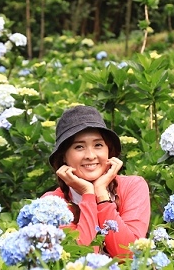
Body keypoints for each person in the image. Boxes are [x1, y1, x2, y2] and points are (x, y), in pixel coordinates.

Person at [42, 104, 151, 258]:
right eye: (79, 147)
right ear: (63, 157)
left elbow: (127, 254)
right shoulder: (52, 203)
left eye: (98, 145)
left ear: (108, 150)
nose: (91, 155)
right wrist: (88, 194)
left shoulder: (132, 186)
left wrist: (101, 194)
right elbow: (82, 255)